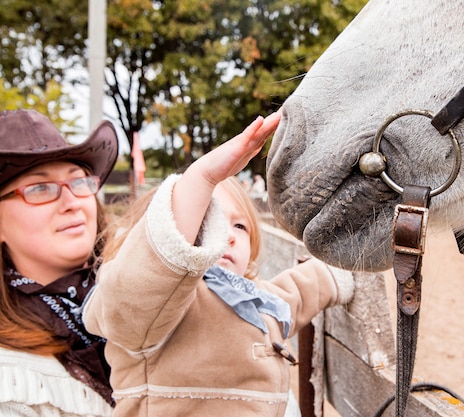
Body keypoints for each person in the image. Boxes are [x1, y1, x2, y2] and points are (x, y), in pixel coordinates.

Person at [82, 112, 355, 417]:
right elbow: (140, 284)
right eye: (208, 225)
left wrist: (339, 270)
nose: (230, 236)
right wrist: (202, 179)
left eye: (240, 226)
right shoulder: (153, 309)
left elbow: (296, 292)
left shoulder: (257, 299)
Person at [0, 109, 118, 416]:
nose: (71, 203)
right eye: (40, 188)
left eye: (78, 182)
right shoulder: (9, 376)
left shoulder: (152, 291)